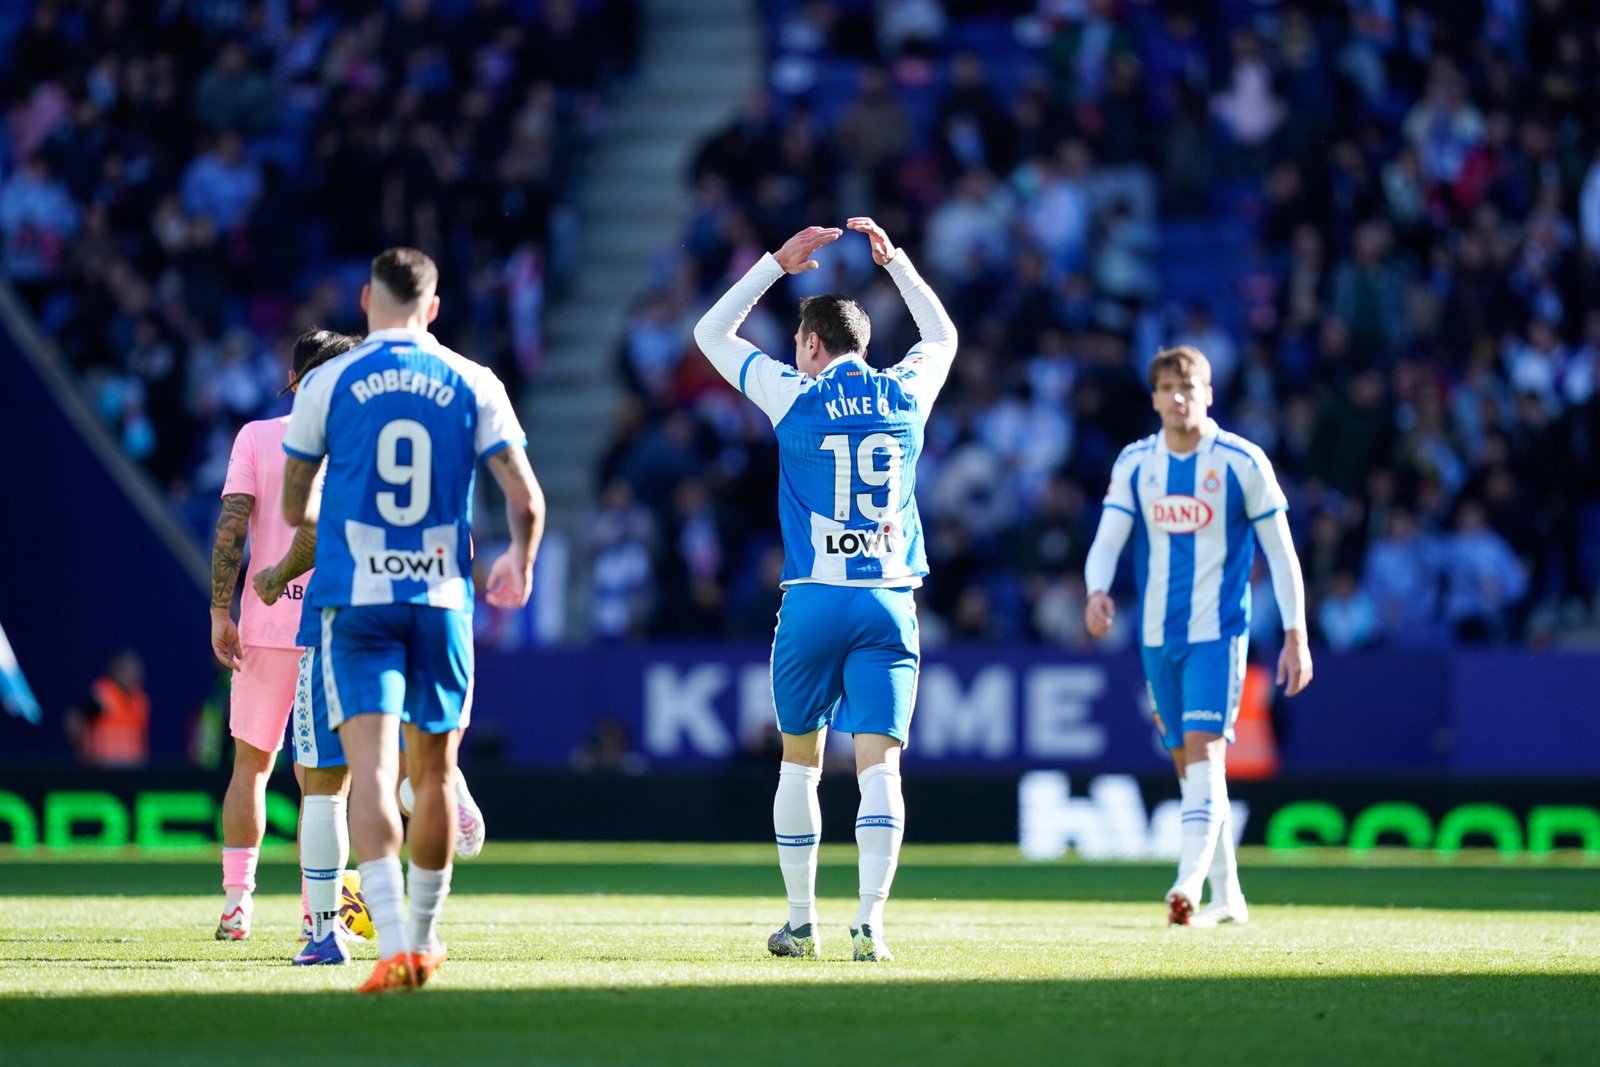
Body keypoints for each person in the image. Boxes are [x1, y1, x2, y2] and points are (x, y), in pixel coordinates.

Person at [693, 219, 958, 962]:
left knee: (799, 762)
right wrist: (898, 263)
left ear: (810, 344)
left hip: (812, 598)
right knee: (881, 769)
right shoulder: (906, 391)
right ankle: (870, 923)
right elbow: (942, 337)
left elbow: (711, 333)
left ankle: (802, 918)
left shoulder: (793, 394)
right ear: (864, 345)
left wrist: (775, 264)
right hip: (886, 599)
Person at [281, 247, 544, 993]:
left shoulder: (327, 381)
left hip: (355, 602)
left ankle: (392, 943)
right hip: (438, 597)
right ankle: (426, 939)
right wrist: (517, 561)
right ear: (432, 307)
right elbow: (526, 501)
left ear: (365, 299)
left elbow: (297, 503)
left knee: (369, 774)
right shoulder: (474, 379)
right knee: (436, 774)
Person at [1082, 345, 1313, 927]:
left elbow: (1281, 554)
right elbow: (1108, 540)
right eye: (1167, 387)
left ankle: (1185, 884)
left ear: (1209, 393)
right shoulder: (1136, 463)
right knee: (1191, 768)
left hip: (1219, 632)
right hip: (1157, 636)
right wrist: (1096, 591)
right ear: (1154, 397)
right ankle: (1228, 896)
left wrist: (1295, 632)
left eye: (1189, 386)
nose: (1178, 396)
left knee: (1206, 753)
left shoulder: (1241, 461)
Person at [208, 328, 359, 942]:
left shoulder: (255, 436)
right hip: (327, 625)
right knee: (322, 781)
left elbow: (231, 526)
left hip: (264, 627)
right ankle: (317, 913)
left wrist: (221, 609)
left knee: (251, 768)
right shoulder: (353, 442)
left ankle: (237, 905)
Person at [63, 650, 149, 768]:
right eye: (128, 670)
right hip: (102, 771)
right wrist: (82, 755)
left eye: (136, 670)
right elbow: (73, 719)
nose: (133, 675)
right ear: (116, 671)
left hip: (131, 771)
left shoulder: (140, 701)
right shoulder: (103, 697)